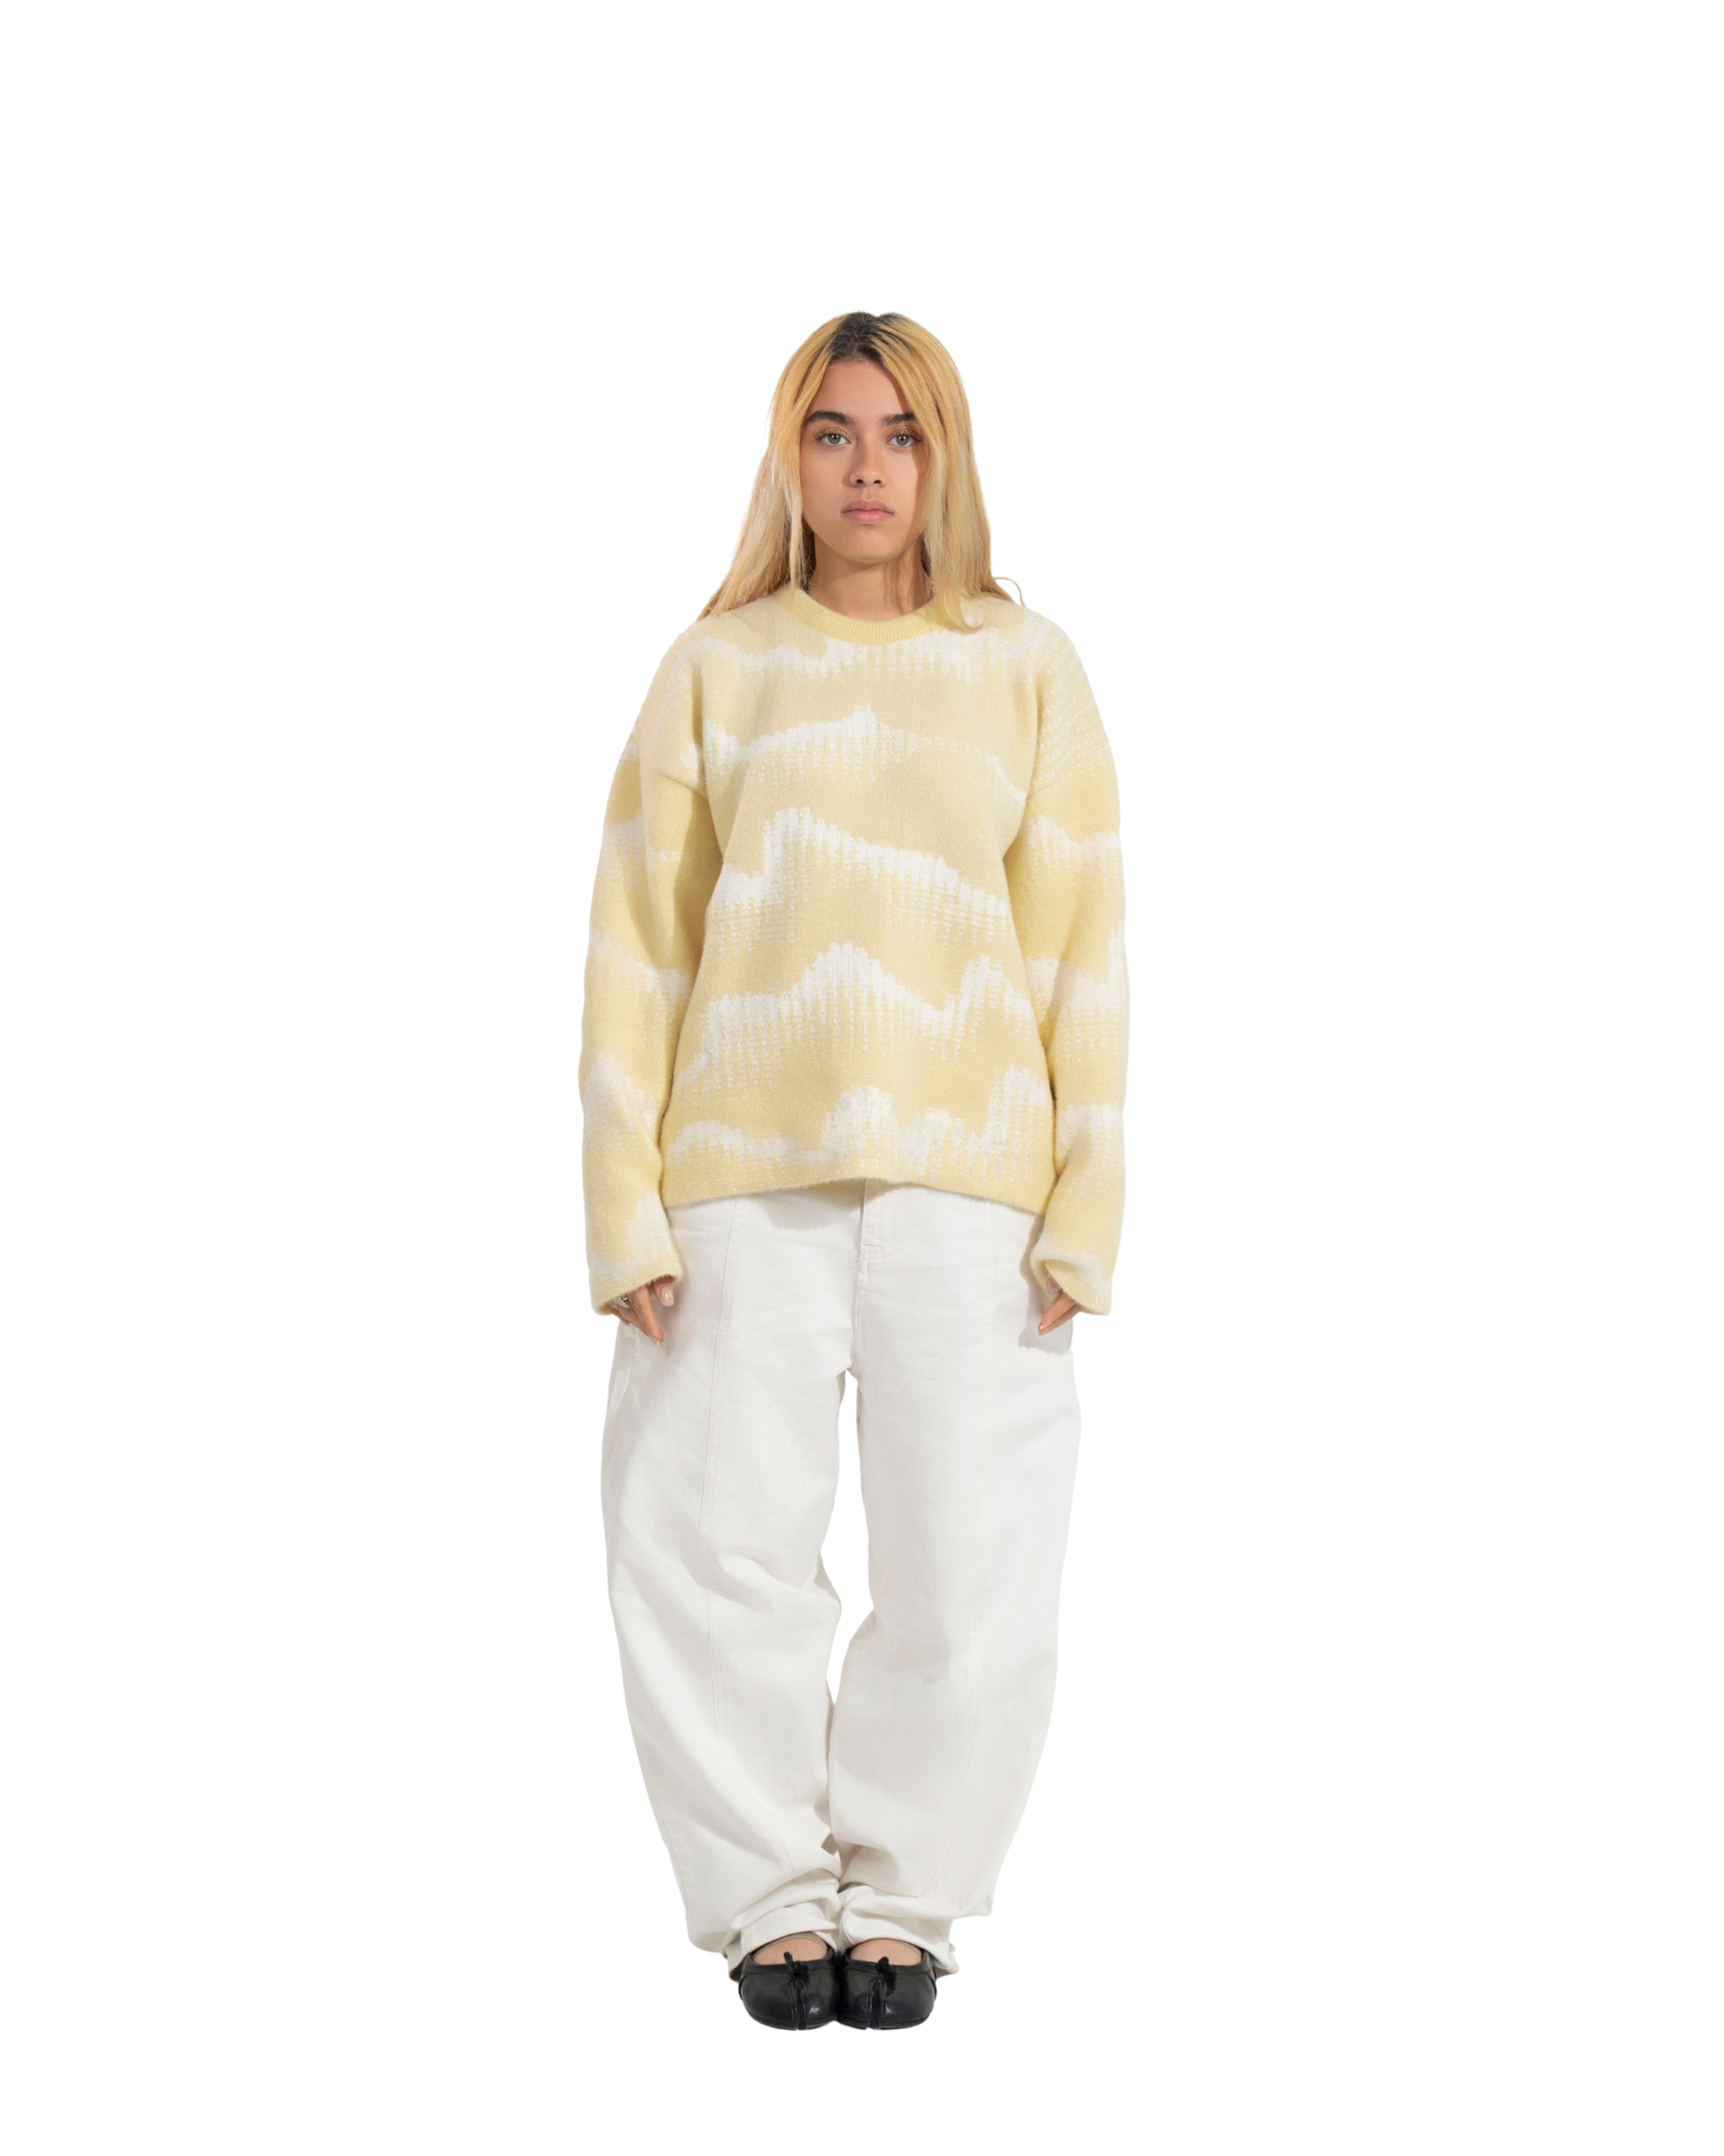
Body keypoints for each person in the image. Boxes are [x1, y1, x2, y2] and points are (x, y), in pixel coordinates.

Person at [576, 306, 1131, 2033]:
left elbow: (1084, 949)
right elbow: (635, 947)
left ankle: (903, 1905)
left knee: (971, 1559)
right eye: (831, 432)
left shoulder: (1026, 663)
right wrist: (617, 1201)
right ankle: (762, 1906)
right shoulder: (712, 664)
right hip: (735, 1177)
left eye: (900, 434)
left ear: (945, 457)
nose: (866, 467)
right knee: (709, 1551)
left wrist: (1089, 1204)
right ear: (786, 458)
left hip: (976, 1186)